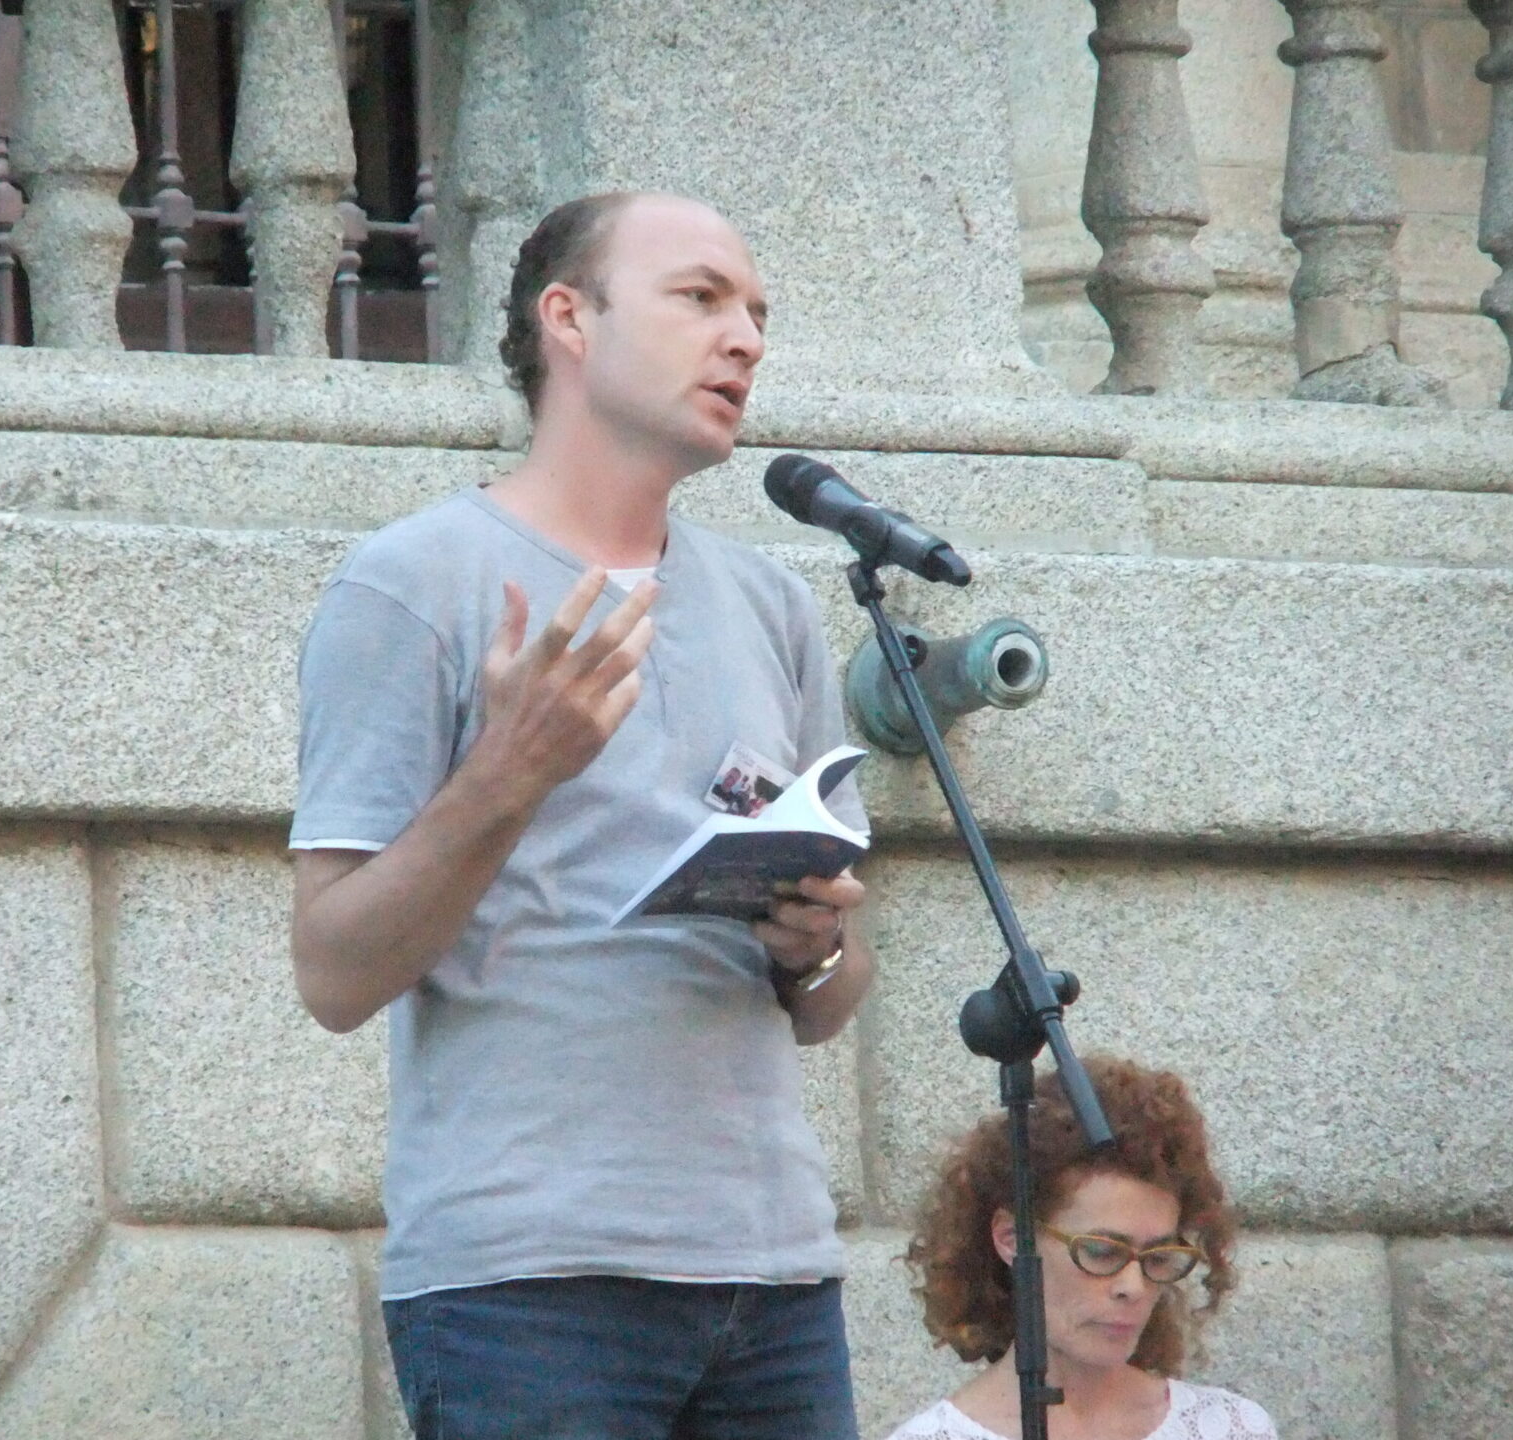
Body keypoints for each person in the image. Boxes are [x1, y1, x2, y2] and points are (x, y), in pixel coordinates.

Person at [289, 191, 874, 1439]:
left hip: (773, 1281)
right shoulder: (413, 583)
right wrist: (509, 775)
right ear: (568, 316)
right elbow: (333, 973)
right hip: (527, 1291)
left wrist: (815, 940)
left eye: (759, 313)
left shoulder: (774, 607)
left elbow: (831, 1000)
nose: (747, 339)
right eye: (702, 297)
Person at [886, 1056, 1278, 1440]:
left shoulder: (1231, 1428)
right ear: (1011, 1239)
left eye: (1158, 1258)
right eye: (1102, 1252)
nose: (1134, 1287)